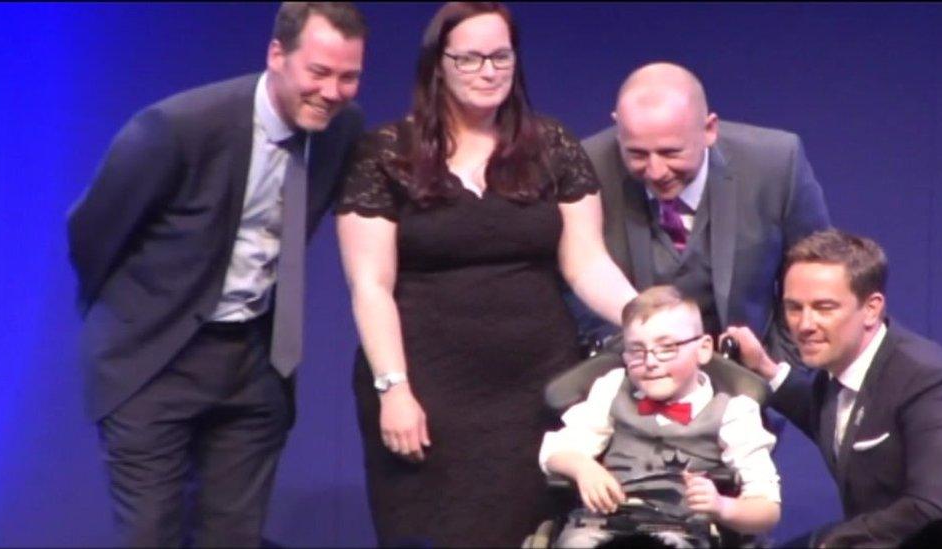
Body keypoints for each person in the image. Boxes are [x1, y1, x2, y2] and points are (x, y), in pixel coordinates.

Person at [335, 2, 637, 546]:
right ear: (438, 65)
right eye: (469, 59)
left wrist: (645, 320)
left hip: (534, 391)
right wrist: (393, 390)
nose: (487, 71)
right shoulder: (386, 154)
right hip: (424, 393)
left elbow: (587, 261)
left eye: (500, 56)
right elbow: (370, 285)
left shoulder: (553, 146)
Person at [65, 3, 365, 546]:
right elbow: (92, 231)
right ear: (277, 55)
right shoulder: (178, 127)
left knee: (233, 537)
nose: (333, 91)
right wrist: (135, 319)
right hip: (155, 361)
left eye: (349, 77)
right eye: (318, 72)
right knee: (151, 535)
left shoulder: (341, 133)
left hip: (254, 364)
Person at [724, 228, 942, 547]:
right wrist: (765, 368)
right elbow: (826, 416)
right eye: (794, 307)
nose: (805, 325)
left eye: (824, 307)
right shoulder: (838, 364)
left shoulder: (928, 381)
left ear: (871, 308)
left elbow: (935, 508)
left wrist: (834, 541)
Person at [577, 62, 830, 364]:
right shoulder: (587, 167)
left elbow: (818, 274)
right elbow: (572, 287)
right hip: (632, 374)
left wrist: (773, 374)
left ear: (709, 129)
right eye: (637, 154)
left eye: (672, 153)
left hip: (748, 377)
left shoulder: (775, 164)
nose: (656, 172)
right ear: (618, 129)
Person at [541, 286, 780, 548]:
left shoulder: (733, 411)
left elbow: (767, 508)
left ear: (703, 349)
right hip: (602, 523)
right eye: (637, 350)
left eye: (666, 348)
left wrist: (723, 507)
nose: (651, 361)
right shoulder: (612, 388)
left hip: (683, 529)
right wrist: (582, 467)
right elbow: (555, 451)